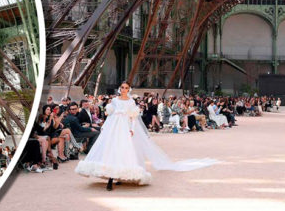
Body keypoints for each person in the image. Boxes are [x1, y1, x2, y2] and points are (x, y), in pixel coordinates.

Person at [75, 81, 217, 191]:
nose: (123, 89)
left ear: (129, 89)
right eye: (122, 87)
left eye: (126, 87)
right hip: (113, 127)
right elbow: (110, 115)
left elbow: (133, 118)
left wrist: (131, 129)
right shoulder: (115, 101)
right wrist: (106, 126)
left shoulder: (131, 102)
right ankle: (111, 177)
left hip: (124, 127)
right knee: (112, 149)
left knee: (123, 150)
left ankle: (116, 175)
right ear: (120, 88)